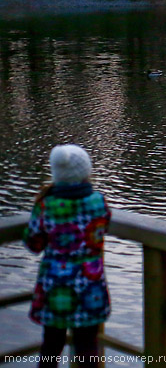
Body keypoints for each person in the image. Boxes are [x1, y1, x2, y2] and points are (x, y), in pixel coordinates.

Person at [24, 145, 111, 368]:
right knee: (87, 346)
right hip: (90, 285)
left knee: (51, 345)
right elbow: (103, 228)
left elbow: (33, 243)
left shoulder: (46, 205)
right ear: (86, 172)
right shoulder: (98, 201)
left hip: (56, 287)